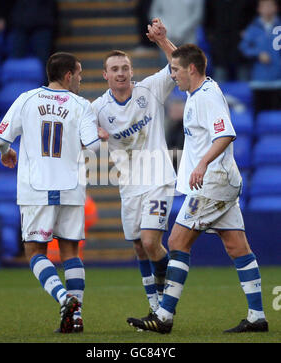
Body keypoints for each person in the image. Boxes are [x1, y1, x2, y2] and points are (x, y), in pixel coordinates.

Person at [127, 22, 268, 334]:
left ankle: (163, 317)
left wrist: (202, 164)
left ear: (191, 70)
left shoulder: (206, 97)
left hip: (213, 181)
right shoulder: (199, 88)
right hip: (220, 182)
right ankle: (257, 316)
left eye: (176, 70)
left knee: (177, 241)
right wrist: (164, 41)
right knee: (237, 247)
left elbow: (225, 134)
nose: (172, 73)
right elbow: (183, 58)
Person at [0, 52, 108, 333]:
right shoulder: (81, 104)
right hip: (71, 187)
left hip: (37, 187)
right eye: (79, 73)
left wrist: (6, 152)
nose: (81, 79)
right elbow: (94, 146)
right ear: (68, 75)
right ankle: (75, 318)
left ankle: (63, 299)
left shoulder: (27, 99)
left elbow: (1, 137)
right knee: (71, 252)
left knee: (34, 251)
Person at [91, 19, 177, 317]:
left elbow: (178, 66)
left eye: (125, 68)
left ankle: (168, 299)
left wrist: (163, 41)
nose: (121, 73)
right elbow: (83, 141)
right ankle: (155, 305)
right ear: (105, 75)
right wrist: (95, 138)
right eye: (114, 69)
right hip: (129, 186)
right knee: (140, 248)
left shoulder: (150, 89)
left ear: (131, 71)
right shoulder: (98, 109)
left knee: (152, 241)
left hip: (158, 178)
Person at [239, 0, 281, 114]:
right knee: (259, 116)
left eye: (270, 5)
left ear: (276, 8)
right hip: (259, 80)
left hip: (278, 81)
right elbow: (243, 48)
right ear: (259, 9)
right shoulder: (253, 28)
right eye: (264, 6)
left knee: (276, 119)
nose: (267, 8)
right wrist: (257, 54)